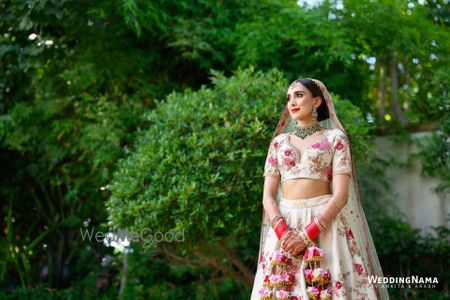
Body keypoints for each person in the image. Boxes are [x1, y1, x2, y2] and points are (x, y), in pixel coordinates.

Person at [250, 78, 390, 299]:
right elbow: (268, 197)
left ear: (316, 101)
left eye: (299, 95)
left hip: (325, 226)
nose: (292, 102)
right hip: (283, 230)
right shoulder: (278, 142)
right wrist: (284, 233)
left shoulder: (335, 139)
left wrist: (306, 236)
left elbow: (341, 195)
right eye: (289, 98)